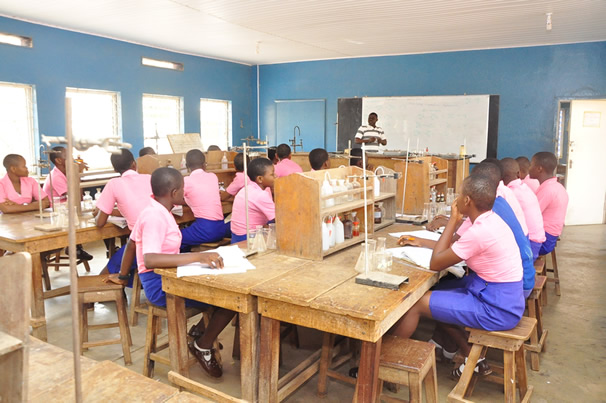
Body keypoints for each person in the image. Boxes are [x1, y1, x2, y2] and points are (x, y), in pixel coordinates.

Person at [393, 174, 524, 376]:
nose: (456, 199)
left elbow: (436, 263)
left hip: (496, 308)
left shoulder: (479, 231)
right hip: (501, 296)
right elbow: (454, 247)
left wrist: (453, 220)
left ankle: (389, 363)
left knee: (416, 302)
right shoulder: (490, 220)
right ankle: (467, 352)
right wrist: (421, 241)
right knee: (438, 290)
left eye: (459, 194)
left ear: (467, 201)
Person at [110, 167, 235, 378]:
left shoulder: (155, 210)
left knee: (222, 284)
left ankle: (200, 331)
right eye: (183, 189)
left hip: (170, 275)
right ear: (175, 192)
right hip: (160, 286)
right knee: (230, 298)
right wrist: (198, 257)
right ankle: (202, 344)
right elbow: (150, 258)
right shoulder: (154, 216)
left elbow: (132, 244)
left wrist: (123, 276)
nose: (184, 193)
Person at [94, 148, 152, 284]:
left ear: (115, 170)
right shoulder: (149, 178)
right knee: (126, 256)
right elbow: (135, 206)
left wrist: (98, 213)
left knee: (105, 274)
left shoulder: (114, 183)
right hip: (163, 241)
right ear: (134, 164)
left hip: (142, 245)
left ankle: (92, 300)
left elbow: (100, 223)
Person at [42, 146, 93, 261]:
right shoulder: (56, 177)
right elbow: (75, 197)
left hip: (69, 209)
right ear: (58, 160)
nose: (72, 159)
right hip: (56, 215)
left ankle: (110, 249)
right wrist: (77, 173)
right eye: (69, 157)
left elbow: (77, 199)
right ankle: (74, 247)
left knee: (98, 214)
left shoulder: (65, 173)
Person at [180, 149, 230, 250]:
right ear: (204, 165)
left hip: (206, 229)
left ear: (186, 166)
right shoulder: (213, 176)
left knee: (174, 238)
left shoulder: (187, 181)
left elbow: (178, 199)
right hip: (221, 228)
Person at [500, 157, 546, 260]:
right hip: (535, 242)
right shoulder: (523, 187)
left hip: (529, 245)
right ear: (518, 174)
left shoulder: (510, 193)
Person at [529, 151, 568, 255]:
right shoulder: (557, 186)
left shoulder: (547, 190)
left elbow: (530, 215)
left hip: (545, 241)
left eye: (531, 165)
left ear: (539, 169)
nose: (528, 168)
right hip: (550, 238)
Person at [230, 158, 275, 243]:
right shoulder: (260, 195)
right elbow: (278, 218)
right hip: (247, 238)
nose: (275, 176)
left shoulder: (246, 189)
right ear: (260, 179)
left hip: (236, 236)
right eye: (272, 174)